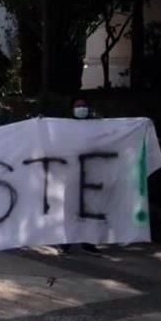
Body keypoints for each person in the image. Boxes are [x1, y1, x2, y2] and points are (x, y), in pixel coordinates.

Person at [59, 97, 100, 255]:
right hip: (71, 173)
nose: (81, 108)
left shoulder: (96, 126)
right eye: (78, 106)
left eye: (84, 106)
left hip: (91, 174)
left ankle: (88, 242)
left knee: (90, 208)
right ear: (72, 109)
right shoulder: (64, 127)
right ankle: (66, 241)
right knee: (69, 208)